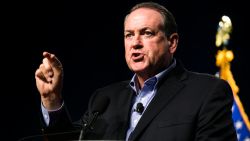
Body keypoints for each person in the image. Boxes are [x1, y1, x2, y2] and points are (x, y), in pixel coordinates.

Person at [35, 2, 237, 141]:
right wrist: (52, 99)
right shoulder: (105, 99)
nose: (135, 44)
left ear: (172, 42)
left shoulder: (206, 92)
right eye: (129, 35)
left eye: (146, 33)